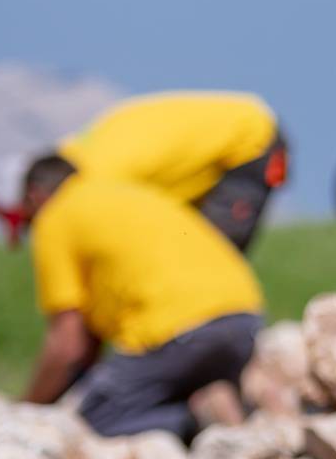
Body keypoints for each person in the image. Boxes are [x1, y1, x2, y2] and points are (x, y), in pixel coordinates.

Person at [17, 154, 264, 440]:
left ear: (34, 196)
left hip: (176, 331)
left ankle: (194, 421)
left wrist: (25, 413)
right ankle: (220, 410)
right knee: (155, 386)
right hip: (243, 318)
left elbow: (68, 345)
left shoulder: (56, 215)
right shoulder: (130, 191)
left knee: (94, 422)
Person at [55, 91, 287, 250]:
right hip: (221, 147)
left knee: (208, 257)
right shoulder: (80, 151)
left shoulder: (99, 179)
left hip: (251, 142)